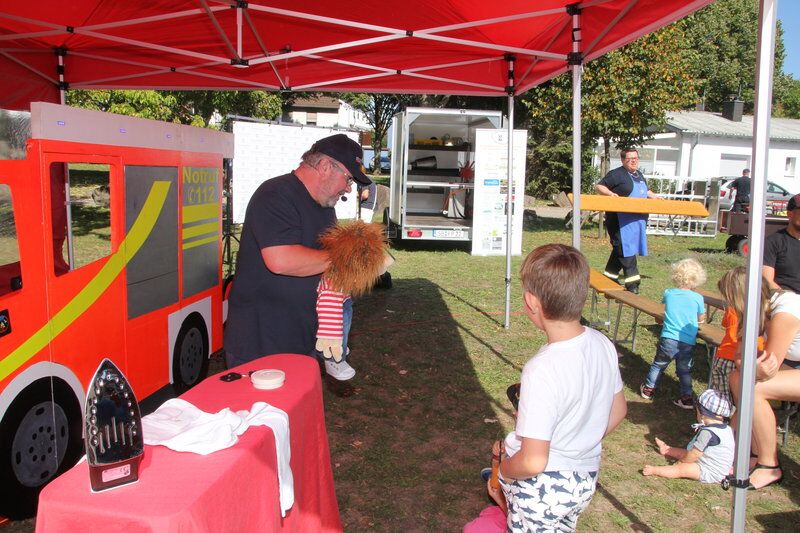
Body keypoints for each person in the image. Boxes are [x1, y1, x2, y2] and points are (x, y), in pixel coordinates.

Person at [493, 244, 627, 532]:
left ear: (531, 302)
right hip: (583, 479)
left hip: (543, 488)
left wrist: (502, 470)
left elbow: (532, 461)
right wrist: (579, 438)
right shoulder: (603, 344)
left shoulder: (541, 369)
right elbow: (619, 410)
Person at [224, 134, 372, 370]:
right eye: (348, 179)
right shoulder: (275, 194)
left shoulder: (325, 208)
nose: (347, 188)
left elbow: (322, 265)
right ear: (325, 166)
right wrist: (345, 256)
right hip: (260, 343)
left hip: (301, 339)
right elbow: (281, 259)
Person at [730, 287, 800, 489]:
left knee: (752, 388)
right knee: (737, 379)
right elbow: (740, 356)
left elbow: (768, 367)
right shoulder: (761, 311)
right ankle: (754, 452)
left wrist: (750, 367)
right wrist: (747, 365)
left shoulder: (785, 313)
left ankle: (770, 465)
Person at [639, 258, 706, 409]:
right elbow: (701, 318)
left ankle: (648, 389)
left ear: (676, 275)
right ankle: (687, 397)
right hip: (687, 340)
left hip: (668, 338)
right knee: (684, 370)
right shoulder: (698, 298)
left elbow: (665, 310)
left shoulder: (669, 293)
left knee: (658, 364)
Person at [595, 148, 659, 294]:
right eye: (630, 159)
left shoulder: (638, 174)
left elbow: (645, 191)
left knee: (621, 249)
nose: (633, 161)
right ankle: (633, 284)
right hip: (620, 221)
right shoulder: (617, 174)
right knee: (625, 249)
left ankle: (609, 276)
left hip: (636, 221)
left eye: (635, 158)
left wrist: (654, 196)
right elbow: (599, 186)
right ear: (623, 160)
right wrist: (611, 194)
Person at [642, 389, 734, 484]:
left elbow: (694, 454)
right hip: (713, 463)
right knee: (686, 453)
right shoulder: (726, 429)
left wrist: (682, 462)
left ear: (702, 413)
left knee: (682, 469)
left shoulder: (708, 433)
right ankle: (666, 449)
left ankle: (655, 470)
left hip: (710, 471)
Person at [710, 267, 768, 399]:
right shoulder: (762, 311)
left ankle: (719, 417)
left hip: (725, 356)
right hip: (753, 358)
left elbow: (725, 324)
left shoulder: (732, 309)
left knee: (721, 397)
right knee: (743, 398)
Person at [763, 193, 800, 294]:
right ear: (790, 214)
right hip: (785, 300)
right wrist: (791, 300)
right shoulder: (773, 242)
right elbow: (767, 281)